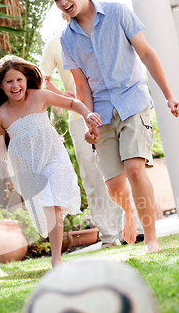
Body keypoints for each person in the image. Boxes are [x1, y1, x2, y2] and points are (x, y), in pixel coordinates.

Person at [46, 0, 179, 254]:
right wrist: (88, 121)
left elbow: (146, 53)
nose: (63, 3)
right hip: (101, 110)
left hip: (133, 101)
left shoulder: (118, 12)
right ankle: (128, 213)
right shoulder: (67, 39)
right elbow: (81, 86)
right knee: (114, 187)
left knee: (135, 170)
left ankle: (152, 239)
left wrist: (169, 96)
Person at [0, 55, 100, 267]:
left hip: (52, 157)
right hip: (28, 168)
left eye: (19, 79)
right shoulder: (0, 115)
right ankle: (56, 254)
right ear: (0, 85)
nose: (15, 85)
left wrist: (87, 116)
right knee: (48, 208)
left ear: (26, 79)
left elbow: (73, 103)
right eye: (9, 81)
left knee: (52, 203)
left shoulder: (38, 96)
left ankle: (56, 260)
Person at [40, 14, 144, 247]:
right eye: (61, 1)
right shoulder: (56, 43)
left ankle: (135, 229)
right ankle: (109, 236)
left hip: (113, 111)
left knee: (124, 173)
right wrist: (61, 95)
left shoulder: (102, 35)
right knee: (93, 178)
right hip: (79, 118)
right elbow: (42, 80)